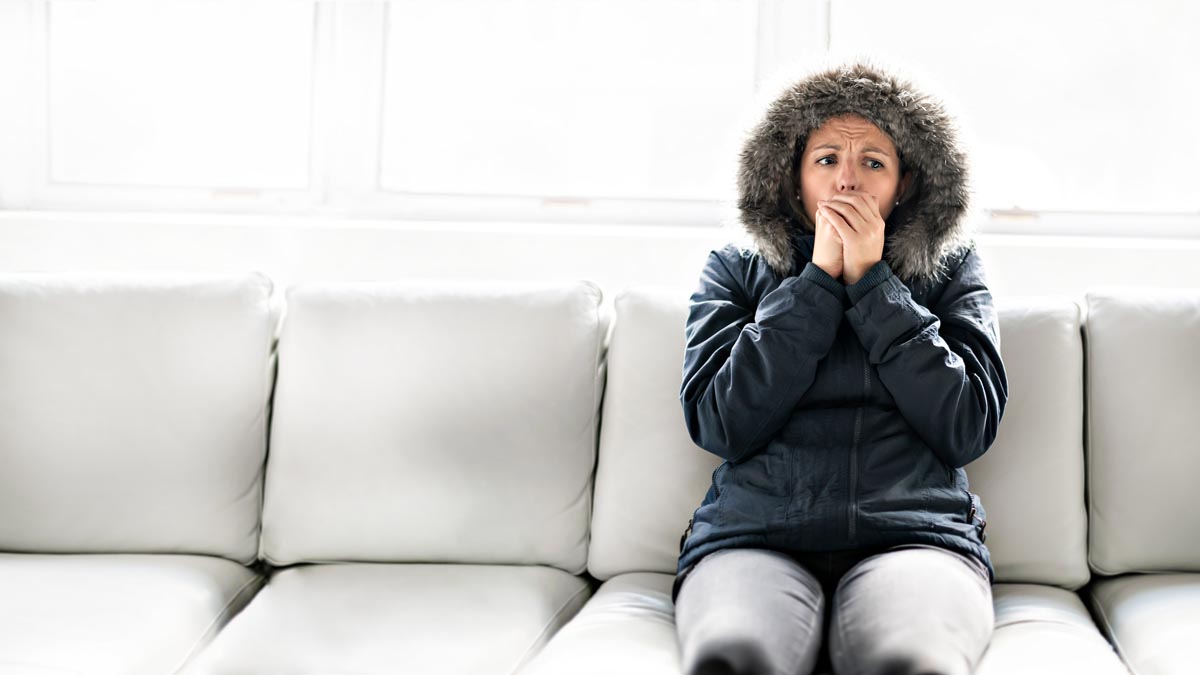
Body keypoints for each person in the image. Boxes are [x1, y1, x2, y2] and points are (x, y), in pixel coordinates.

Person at [673, 61, 1008, 675]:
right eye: (826, 160)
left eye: (872, 163)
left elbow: (967, 425)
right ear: (792, 177)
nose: (847, 182)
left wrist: (875, 286)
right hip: (754, 536)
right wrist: (816, 284)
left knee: (914, 660)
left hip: (914, 536)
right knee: (733, 657)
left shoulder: (952, 269)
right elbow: (719, 422)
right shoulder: (733, 266)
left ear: (904, 183)